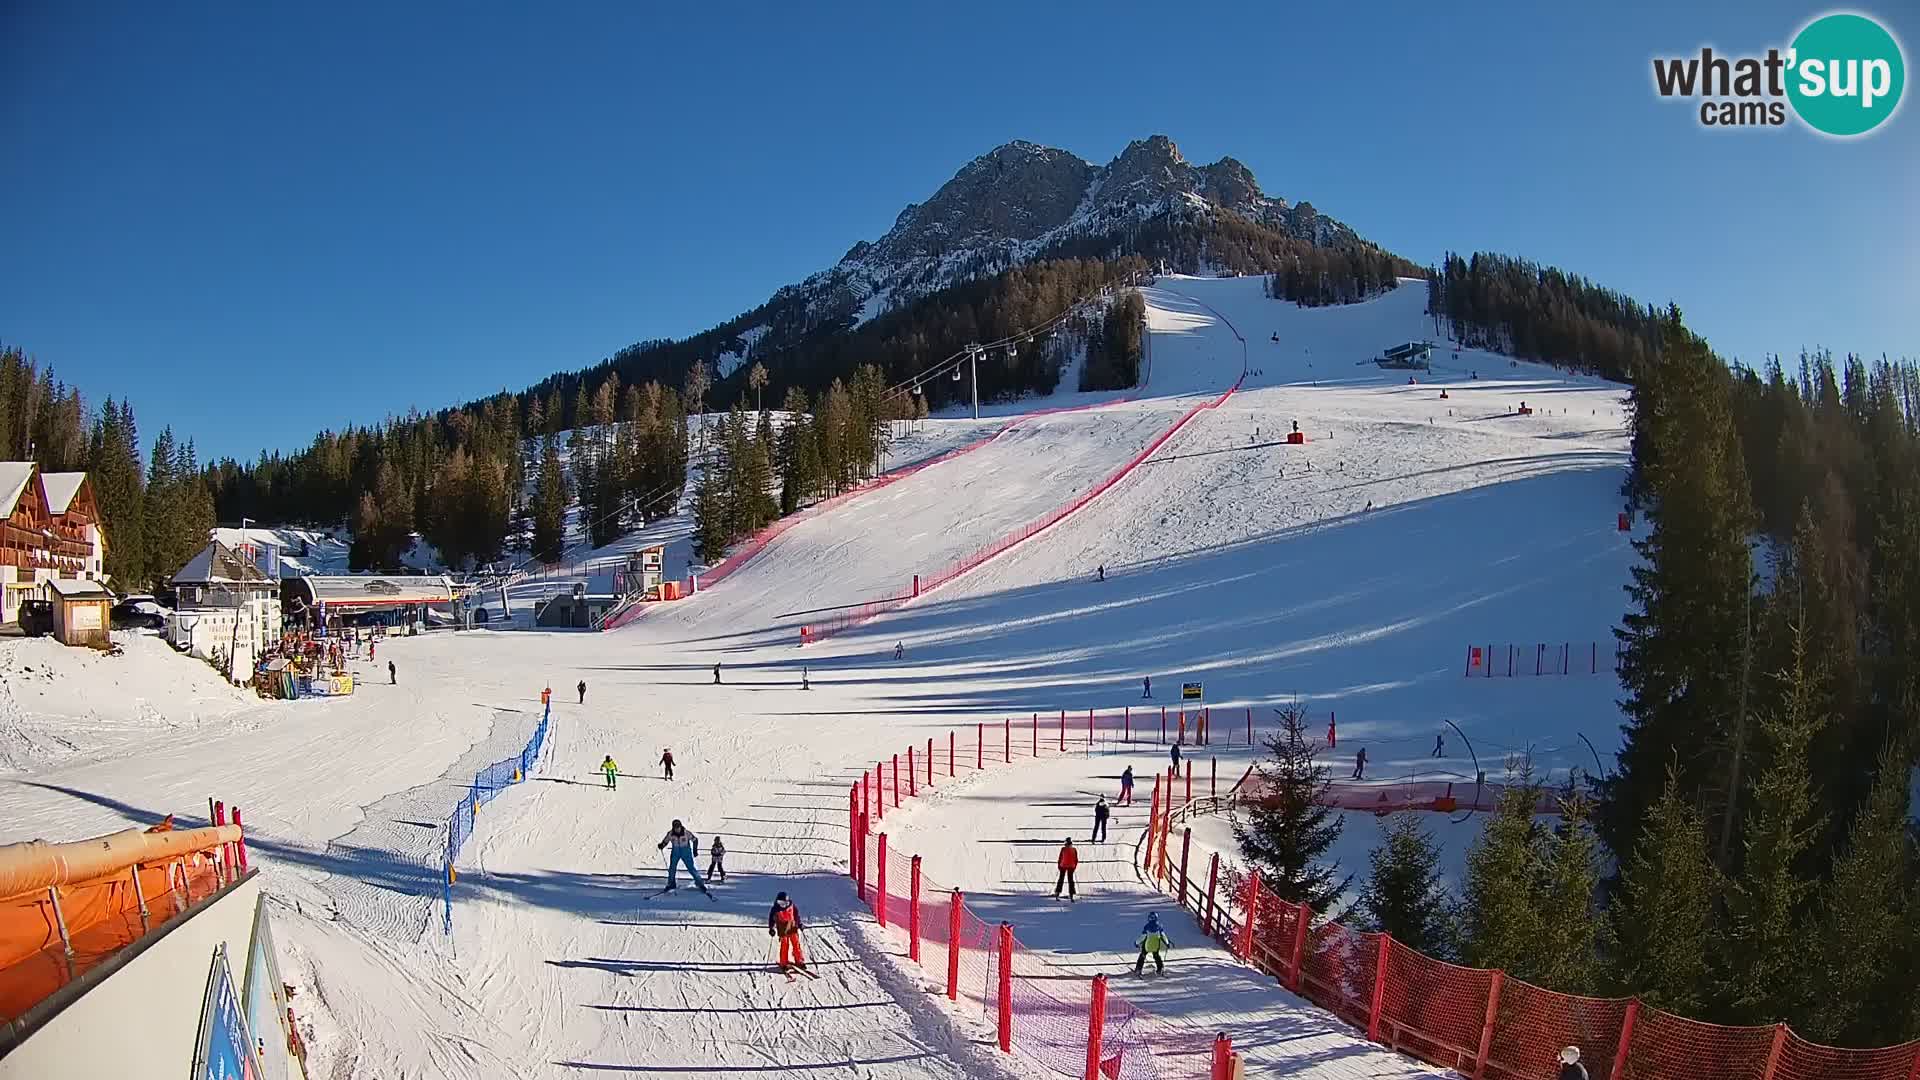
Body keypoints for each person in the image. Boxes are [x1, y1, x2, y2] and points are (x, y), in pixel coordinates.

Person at [656, 820, 708, 894]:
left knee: (691, 868)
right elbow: (665, 841)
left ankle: (700, 884)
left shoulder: (686, 833)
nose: (677, 829)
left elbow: (695, 840)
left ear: (680, 826)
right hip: (675, 851)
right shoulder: (670, 833)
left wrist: (695, 851)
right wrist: (662, 845)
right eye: (675, 827)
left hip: (686, 851)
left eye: (678, 827)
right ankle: (671, 884)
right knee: (672, 868)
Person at [768, 892, 806, 970]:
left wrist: (799, 924)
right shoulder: (775, 909)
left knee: (796, 943)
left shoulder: (792, 906)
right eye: (781, 903)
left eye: (785, 903)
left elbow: (796, 916)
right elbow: (771, 919)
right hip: (782, 928)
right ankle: (783, 963)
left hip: (792, 926)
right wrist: (771, 928)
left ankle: (799, 960)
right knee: (785, 945)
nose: (783, 905)